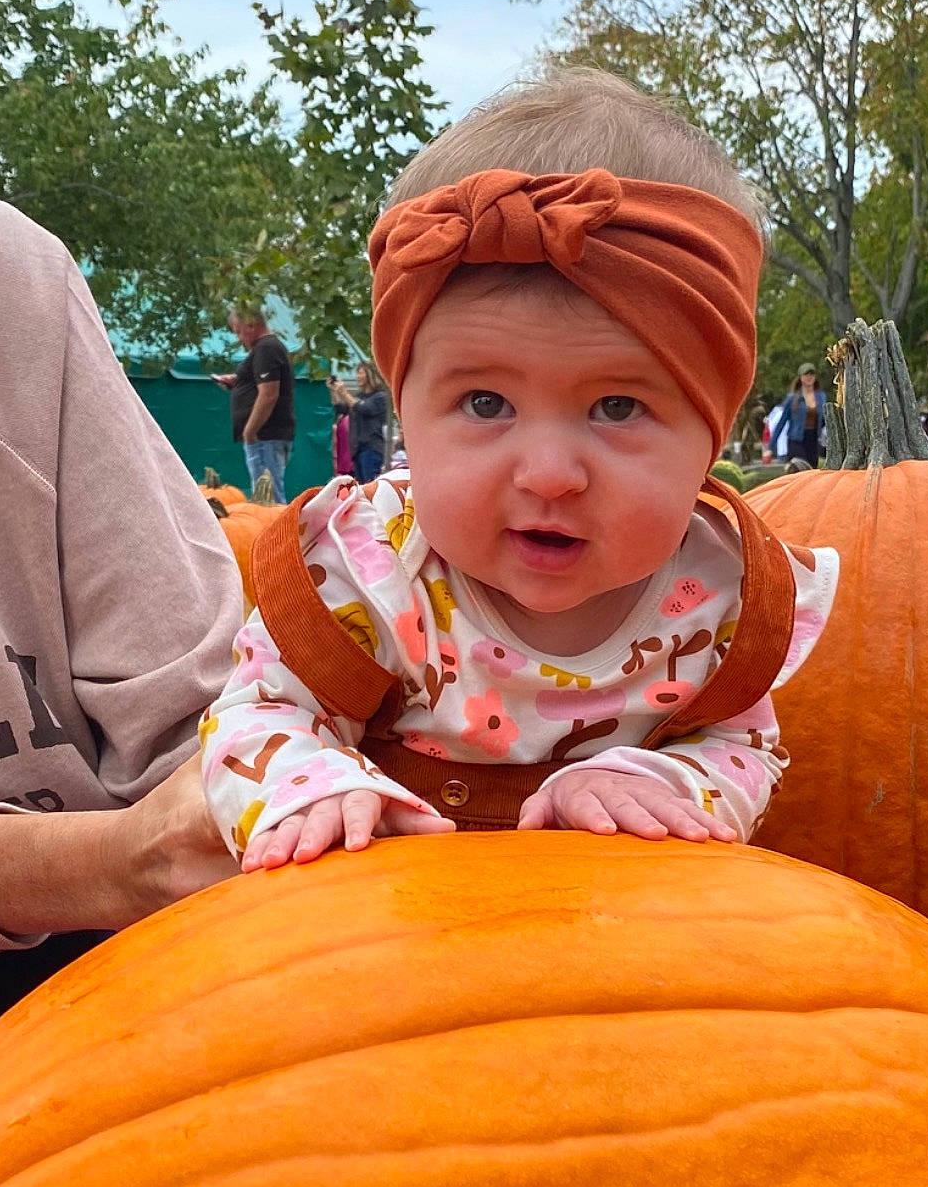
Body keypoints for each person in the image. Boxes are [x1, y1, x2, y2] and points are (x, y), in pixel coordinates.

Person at [200, 68, 839, 868]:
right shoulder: (365, 572)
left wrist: (660, 780)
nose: (547, 475)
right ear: (405, 412)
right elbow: (257, 713)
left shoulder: (718, 596)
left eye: (616, 407)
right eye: (484, 403)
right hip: (382, 930)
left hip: (626, 933)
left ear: (713, 436)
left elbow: (738, 745)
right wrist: (312, 785)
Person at [0, 168, 241, 1128]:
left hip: (113, 901)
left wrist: (241, 806)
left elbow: (201, 712)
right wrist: (108, 860)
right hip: (45, 887)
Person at [211, 306, 295, 502]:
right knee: (266, 494)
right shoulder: (267, 349)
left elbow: (268, 394)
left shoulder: (266, 349)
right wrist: (238, 381)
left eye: (238, 331)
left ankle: (277, 532)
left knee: (267, 499)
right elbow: (262, 385)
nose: (239, 338)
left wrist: (250, 430)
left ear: (251, 324)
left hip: (264, 436)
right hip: (266, 436)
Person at [330, 361, 390, 484]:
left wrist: (345, 393)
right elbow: (343, 409)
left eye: (360, 372)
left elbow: (364, 408)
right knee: (361, 487)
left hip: (371, 448)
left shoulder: (380, 397)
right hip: (357, 450)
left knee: (370, 485)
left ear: (369, 375)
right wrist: (335, 392)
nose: (357, 376)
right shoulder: (359, 396)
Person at [770, 364, 826, 469]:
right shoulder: (793, 398)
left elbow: (823, 420)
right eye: (806, 374)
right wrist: (771, 446)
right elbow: (782, 422)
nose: (809, 377)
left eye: (812, 374)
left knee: (812, 471)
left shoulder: (821, 397)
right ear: (800, 378)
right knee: (800, 470)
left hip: (813, 439)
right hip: (796, 440)